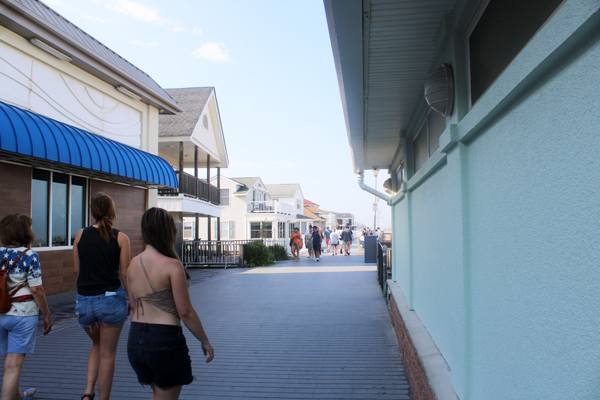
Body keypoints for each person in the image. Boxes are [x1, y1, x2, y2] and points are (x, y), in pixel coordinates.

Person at [127, 207, 214, 399]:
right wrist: (204, 340)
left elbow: (132, 305)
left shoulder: (132, 264)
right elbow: (185, 312)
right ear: (168, 231)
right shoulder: (172, 266)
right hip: (164, 340)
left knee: (158, 395)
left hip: (135, 339)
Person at [73, 193, 131, 400]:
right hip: (111, 301)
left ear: (92, 212)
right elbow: (124, 274)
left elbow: (77, 271)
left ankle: (88, 393)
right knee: (108, 354)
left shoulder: (80, 235)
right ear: (112, 211)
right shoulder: (121, 237)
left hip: (84, 302)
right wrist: (131, 300)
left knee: (96, 345)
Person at [0, 214, 52, 400]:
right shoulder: (29, 255)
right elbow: (36, 289)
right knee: (13, 363)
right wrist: (46, 313)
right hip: (22, 314)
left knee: (8, 361)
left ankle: (17, 395)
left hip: (0, 313)